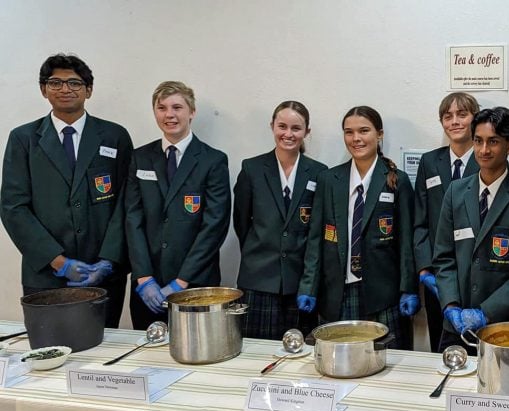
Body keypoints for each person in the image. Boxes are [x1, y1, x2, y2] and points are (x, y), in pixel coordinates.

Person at [1, 53, 133, 328]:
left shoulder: (114, 136)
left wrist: (108, 260)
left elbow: (126, 203)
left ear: (89, 90)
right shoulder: (23, 139)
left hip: (103, 273)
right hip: (46, 275)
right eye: (55, 83)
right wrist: (57, 260)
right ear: (43, 89)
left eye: (74, 83)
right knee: (51, 351)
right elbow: (13, 207)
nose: (65, 89)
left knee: (100, 352)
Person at [297, 106, 418, 349]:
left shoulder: (397, 180)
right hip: (337, 292)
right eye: (349, 132)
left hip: (383, 294)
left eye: (364, 131)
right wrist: (308, 286)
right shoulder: (329, 180)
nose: (356, 139)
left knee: (386, 364)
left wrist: (409, 288)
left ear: (379, 134)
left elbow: (407, 241)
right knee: (340, 363)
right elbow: (315, 240)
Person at [432, 107, 509, 351]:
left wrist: (486, 312)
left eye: (493, 142)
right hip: (456, 326)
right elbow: (443, 258)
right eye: (479, 141)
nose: (484, 150)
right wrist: (450, 305)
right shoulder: (455, 192)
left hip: (504, 327)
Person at [124, 81, 231, 329]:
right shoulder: (140, 158)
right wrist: (144, 278)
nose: (169, 115)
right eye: (161, 108)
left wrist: (181, 282)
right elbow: (132, 219)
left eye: (177, 107)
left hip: (195, 284)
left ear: (191, 112)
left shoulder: (213, 161)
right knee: (148, 358)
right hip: (147, 286)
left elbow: (214, 226)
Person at [233, 101, 328, 340]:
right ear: (272, 126)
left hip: (301, 282)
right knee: (257, 354)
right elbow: (242, 222)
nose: (288, 134)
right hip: (258, 279)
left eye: (296, 128)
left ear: (307, 132)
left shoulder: (319, 172)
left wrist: (309, 280)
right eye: (282, 126)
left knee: (299, 356)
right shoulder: (252, 169)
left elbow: (317, 231)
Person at [413, 92, 480, 352]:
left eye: (462, 114)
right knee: (442, 351)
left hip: (475, 274)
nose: (455, 121)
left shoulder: (488, 159)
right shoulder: (430, 162)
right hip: (438, 275)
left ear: (475, 118)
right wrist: (424, 269)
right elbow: (420, 220)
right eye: (448, 116)